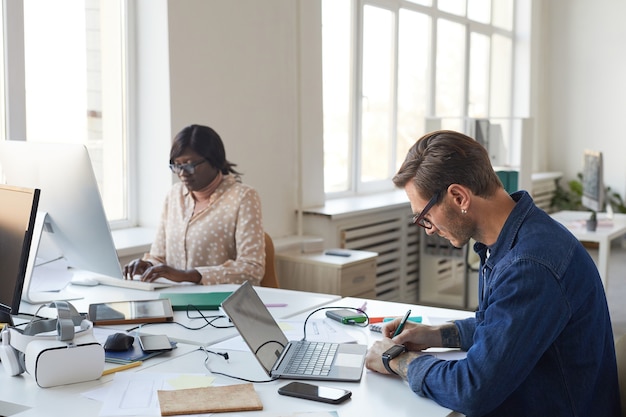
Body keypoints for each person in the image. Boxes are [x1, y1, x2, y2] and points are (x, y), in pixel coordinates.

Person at [365, 130, 621, 416]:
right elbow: (500, 326)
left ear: (459, 197)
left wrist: (397, 361)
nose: (430, 228)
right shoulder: (520, 235)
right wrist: (434, 335)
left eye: (425, 216)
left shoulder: (529, 266)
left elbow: (472, 390)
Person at [123, 124, 265, 285]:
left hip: (222, 302)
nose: (182, 173)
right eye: (177, 165)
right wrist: (148, 265)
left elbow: (252, 269)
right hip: (176, 298)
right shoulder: (174, 195)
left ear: (214, 160)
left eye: (190, 165)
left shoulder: (243, 197)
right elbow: (159, 257)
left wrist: (189, 275)